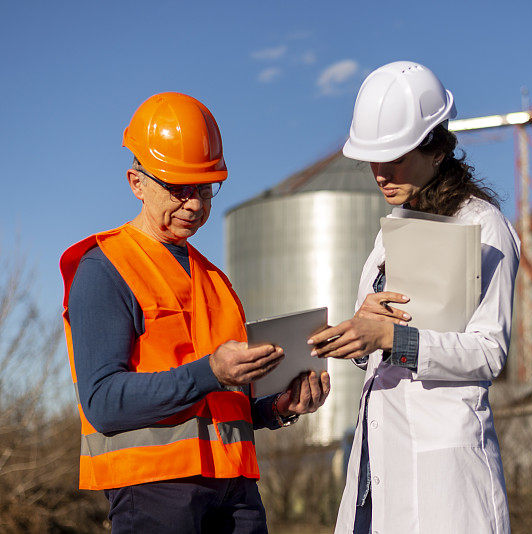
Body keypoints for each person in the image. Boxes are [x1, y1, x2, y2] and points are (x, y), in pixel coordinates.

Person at [60, 92, 330, 533]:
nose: (193, 204)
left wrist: (276, 408)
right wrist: (212, 372)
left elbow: (217, 407)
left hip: (236, 492)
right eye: (178, 189)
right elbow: (104, 404)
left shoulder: (215, 279)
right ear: (136, 182)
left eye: (204, 189)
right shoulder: (104, 267)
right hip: (154, 494)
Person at [308, 62, 520, 534]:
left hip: (442, 473)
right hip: (376, 461)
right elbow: (381, 350)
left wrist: (393, 337)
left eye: (394, 158)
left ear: (436, 149)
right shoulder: (391, 233)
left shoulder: (484, 228)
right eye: (372, 160)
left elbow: (489, 354)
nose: (380, 173)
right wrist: (360, 335)